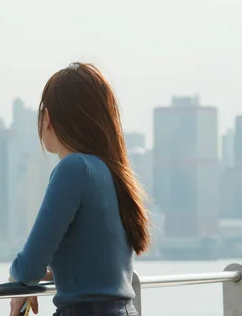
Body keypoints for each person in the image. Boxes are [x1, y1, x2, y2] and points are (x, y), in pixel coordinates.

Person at [8, 62, 151, 316]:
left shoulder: (74, 169)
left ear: (49, 118)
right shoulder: (113, 171)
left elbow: (28, 267)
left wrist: (15, 276)